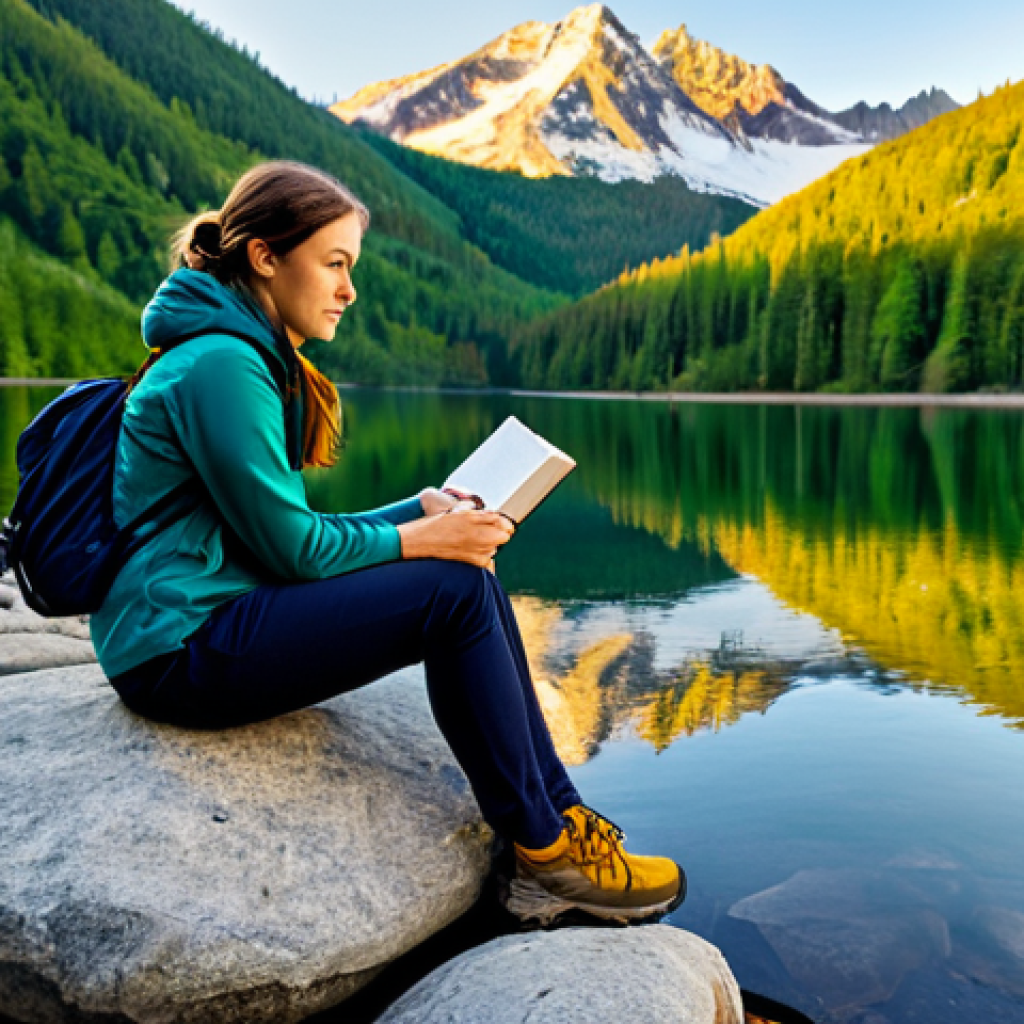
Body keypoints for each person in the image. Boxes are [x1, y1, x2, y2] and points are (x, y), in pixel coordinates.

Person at [96, 160, 685, 926]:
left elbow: (275, 539)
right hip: (177, 654)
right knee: (454, 586)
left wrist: (419, 509)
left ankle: (557, 825)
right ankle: (546, 851)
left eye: (352, 268)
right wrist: (422, 538)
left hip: (204, 614)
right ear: (265, 257)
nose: (348, 290)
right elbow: (294, 552)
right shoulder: (223, 365)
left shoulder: (229, 350)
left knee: (458, 571)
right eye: (334, 264)